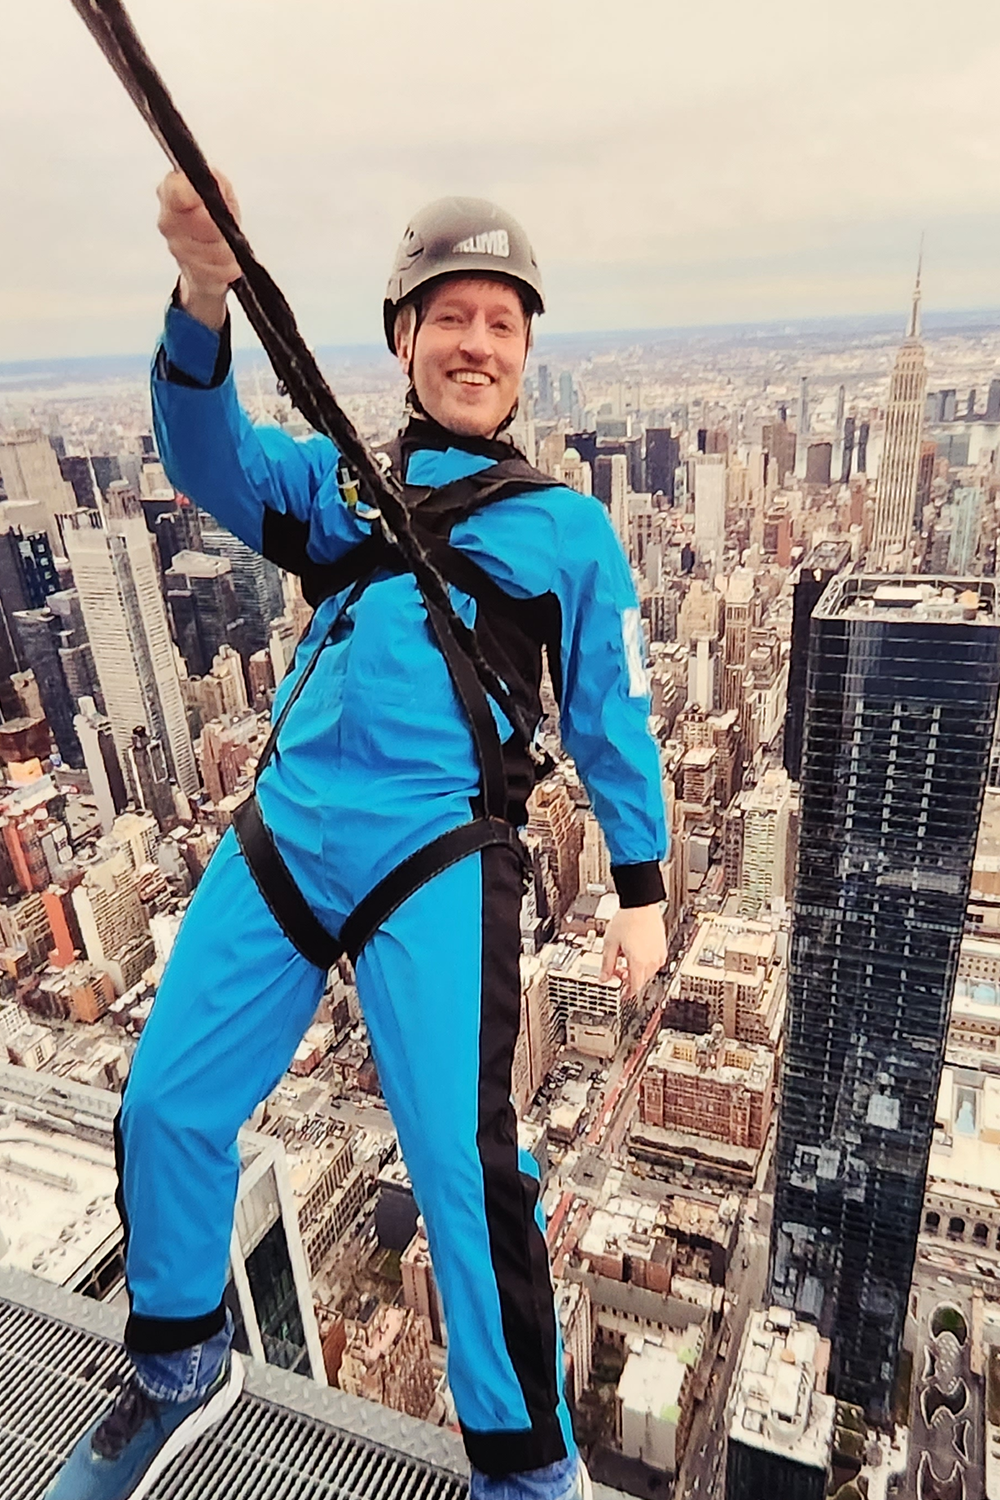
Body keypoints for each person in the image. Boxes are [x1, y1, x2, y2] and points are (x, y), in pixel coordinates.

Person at [47, 176, 668, 1500]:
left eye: (503, 321)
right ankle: (176, 1366)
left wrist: (642, 884)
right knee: (164, 1101)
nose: (477, 342)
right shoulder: (341, 487)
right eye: (451, 314)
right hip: (285, 830)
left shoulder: (566, 530)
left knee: (462, 1168)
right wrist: (204, 293)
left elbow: (614, 714)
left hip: (435, 853)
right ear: (403, 337)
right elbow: (210, 462)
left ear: (525, 353)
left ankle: (526, 1473)